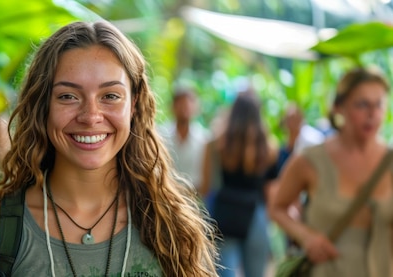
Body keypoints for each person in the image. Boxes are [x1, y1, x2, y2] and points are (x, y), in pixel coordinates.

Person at [0, 21, 218, 277]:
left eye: (110, 96)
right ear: (42, 105)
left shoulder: (171, 227)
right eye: (68, 96)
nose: (91, 117)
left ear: (134, 104)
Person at [269, 66, 392, 277]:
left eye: (379, 104)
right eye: (362, 104)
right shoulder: (311, 159)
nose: (372, 114)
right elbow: (277, 208)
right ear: (339, 107)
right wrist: (306, 237)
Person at [200, 91, 278, 277]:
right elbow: (271, 194)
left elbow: (206, 187)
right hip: (255, 214)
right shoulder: (269, 148)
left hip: (225, 213)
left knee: (225, 272)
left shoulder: (217, 143)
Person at [161, 87, 210, 189]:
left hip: (194, 197)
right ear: (173, 106)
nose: (185, 107)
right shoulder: (161, 135)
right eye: (181, 103)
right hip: (165, 195)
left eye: (189, 103)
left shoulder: (204, 138)